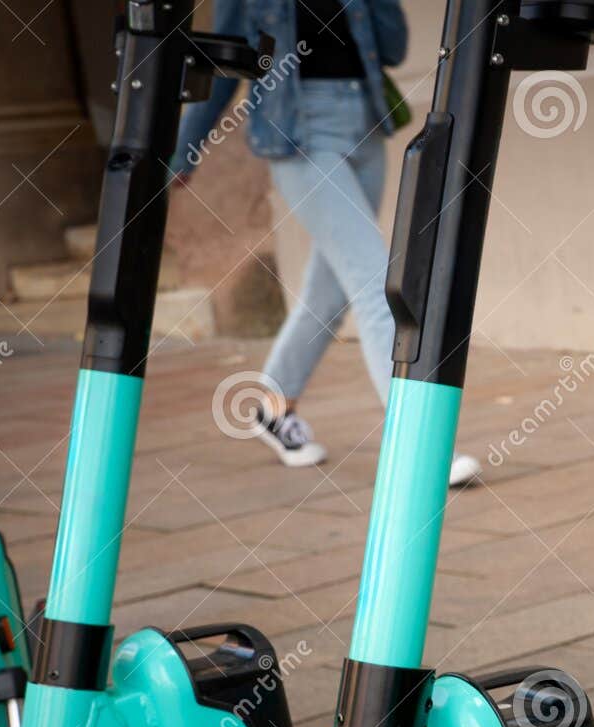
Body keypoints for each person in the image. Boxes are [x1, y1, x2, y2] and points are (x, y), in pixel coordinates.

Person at [173, 0, 481, 484]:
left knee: (330, 294)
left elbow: (394, 49)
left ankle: (273, 407)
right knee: (379, 284)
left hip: (365, 125)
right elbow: (226, 64)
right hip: (298, 133)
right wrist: (184, 148)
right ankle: (420, 447)